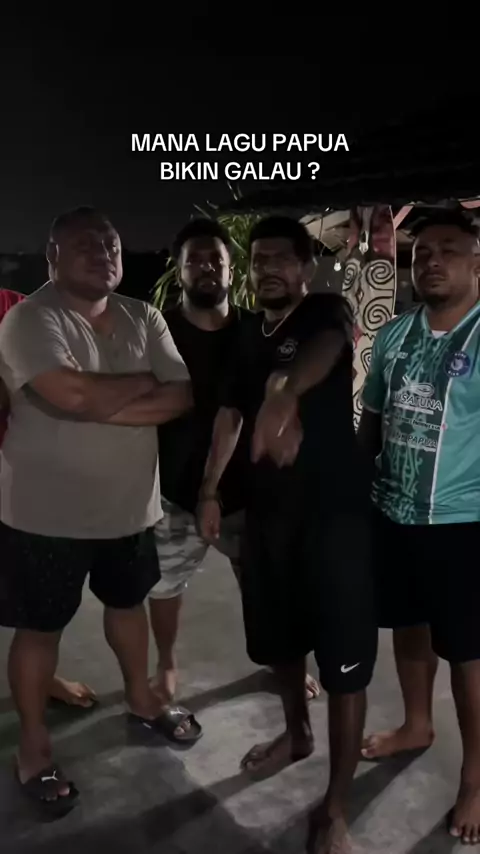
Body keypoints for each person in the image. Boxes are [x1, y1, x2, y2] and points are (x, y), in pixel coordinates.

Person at [0, 206, 194, 816]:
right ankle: (33, 746)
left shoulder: (144, 314)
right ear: (52, 256)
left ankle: (141, 697)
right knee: (40, 630)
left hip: (130, 509)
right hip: (43, 515)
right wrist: (134, 385)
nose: (103, 253)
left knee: (128, 606)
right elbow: (70, 391)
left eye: (109, 244)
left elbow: (180, 396)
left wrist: (89, 402)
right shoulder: (30, 318)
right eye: (84, 245)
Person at [198, 216, 377, 854]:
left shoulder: (325, 311)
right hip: (269, 519)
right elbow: (229, 414)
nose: (267, 268)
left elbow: (323, 350)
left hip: (336, 521)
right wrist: (210, 489)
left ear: (304, 266)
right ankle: (297, 733)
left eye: (280, 258)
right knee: (280, 642)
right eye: (258, 260)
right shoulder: (247, 335)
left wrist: (286, 393)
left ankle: (335, 808)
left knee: (345, 665)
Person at [148, 217, 320, 718]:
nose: (206, 267)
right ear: (179, 269)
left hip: (249, 491)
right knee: (165, 585)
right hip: (174, 490)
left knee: (266, 585)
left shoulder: (256, 330)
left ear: (231, 269)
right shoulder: (158, 332)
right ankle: (166, 663)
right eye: (195, 260)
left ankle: (282, 662)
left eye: (216, 259)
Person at [358, 209, 480, 845]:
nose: (432, 261)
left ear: (476, 262)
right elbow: (372, 422)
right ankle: (415, 724)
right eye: (422, 252)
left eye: (449, 250)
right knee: (408, 627)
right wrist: (355, 492)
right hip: (393, 511)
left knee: (468, 654)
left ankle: (475, 779)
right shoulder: (394, 335)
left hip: (463, 522)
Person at [0, 287, 96, 710]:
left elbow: (69, 386)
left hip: (22, 480)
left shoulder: (19, 309)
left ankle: (41, 677)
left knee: (43, 597)